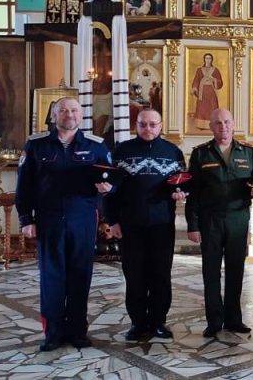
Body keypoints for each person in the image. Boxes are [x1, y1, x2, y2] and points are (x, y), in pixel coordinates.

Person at [16, 97, 112, 352]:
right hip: (48, 220)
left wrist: (108, 189)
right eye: (63, 110)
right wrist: (26, 219)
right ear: (54, 115)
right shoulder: (36, 145)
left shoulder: (96, 145)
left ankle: (78, 330)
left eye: (74, 110)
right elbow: (24, 185)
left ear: (81, 115)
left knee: (81, 274)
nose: (69, 114)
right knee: (51, 276)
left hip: (82, 221)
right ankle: (53, 332)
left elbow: (112, 180)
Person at [104, 109, 186, 341]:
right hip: (131, 224)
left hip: (162, 224)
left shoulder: (173, 152)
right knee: (134, 274)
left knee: (161, 273)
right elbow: (110, 191)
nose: (148, 128)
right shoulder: (121, 151)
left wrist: (181, 193)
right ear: (136, 125)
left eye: (152, 124)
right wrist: (112, 220)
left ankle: (159, 321)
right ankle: (138, 323)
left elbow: (181, 183)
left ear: (161, 125)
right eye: (143, 124)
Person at [186, 108, 253, 337]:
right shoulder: (200, 154)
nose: (223, 127)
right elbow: (193, 192)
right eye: (218, 123)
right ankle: (214, 321)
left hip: (238, 218)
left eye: (227, 122)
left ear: (234, 124)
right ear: (211, 126)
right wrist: (193, 225)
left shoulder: (248, 153)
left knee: (236, 270)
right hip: (210, 219)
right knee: (211, 272)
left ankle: (234, 320)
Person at [191, 53, 224, 130]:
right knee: (202, 108)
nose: (208, 60)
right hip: (202, 92)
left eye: (209, 58)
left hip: (211, 91)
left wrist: (213, 79)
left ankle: (213, 124)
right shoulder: (199, 70)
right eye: (206, 58)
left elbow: (220, 82)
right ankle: (201, 125)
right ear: (204, 59)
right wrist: (195, 88)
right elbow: (196, 80)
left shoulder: (215, 70)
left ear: (211, 60)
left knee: (212, 106)